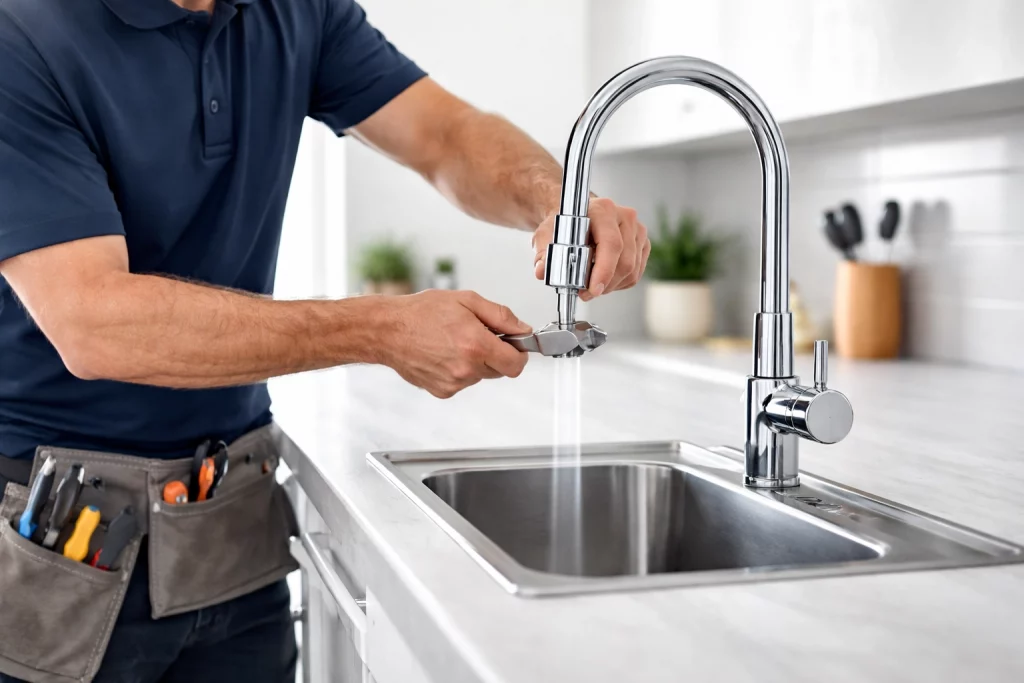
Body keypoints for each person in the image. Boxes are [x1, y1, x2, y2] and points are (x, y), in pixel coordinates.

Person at [0, 0, 649, 681]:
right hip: (60, 549)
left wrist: (559, 201)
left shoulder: (297, 12)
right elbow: (95, 322)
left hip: (233, 525)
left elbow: (445, 134)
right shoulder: (21, 31)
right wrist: (379, 328)